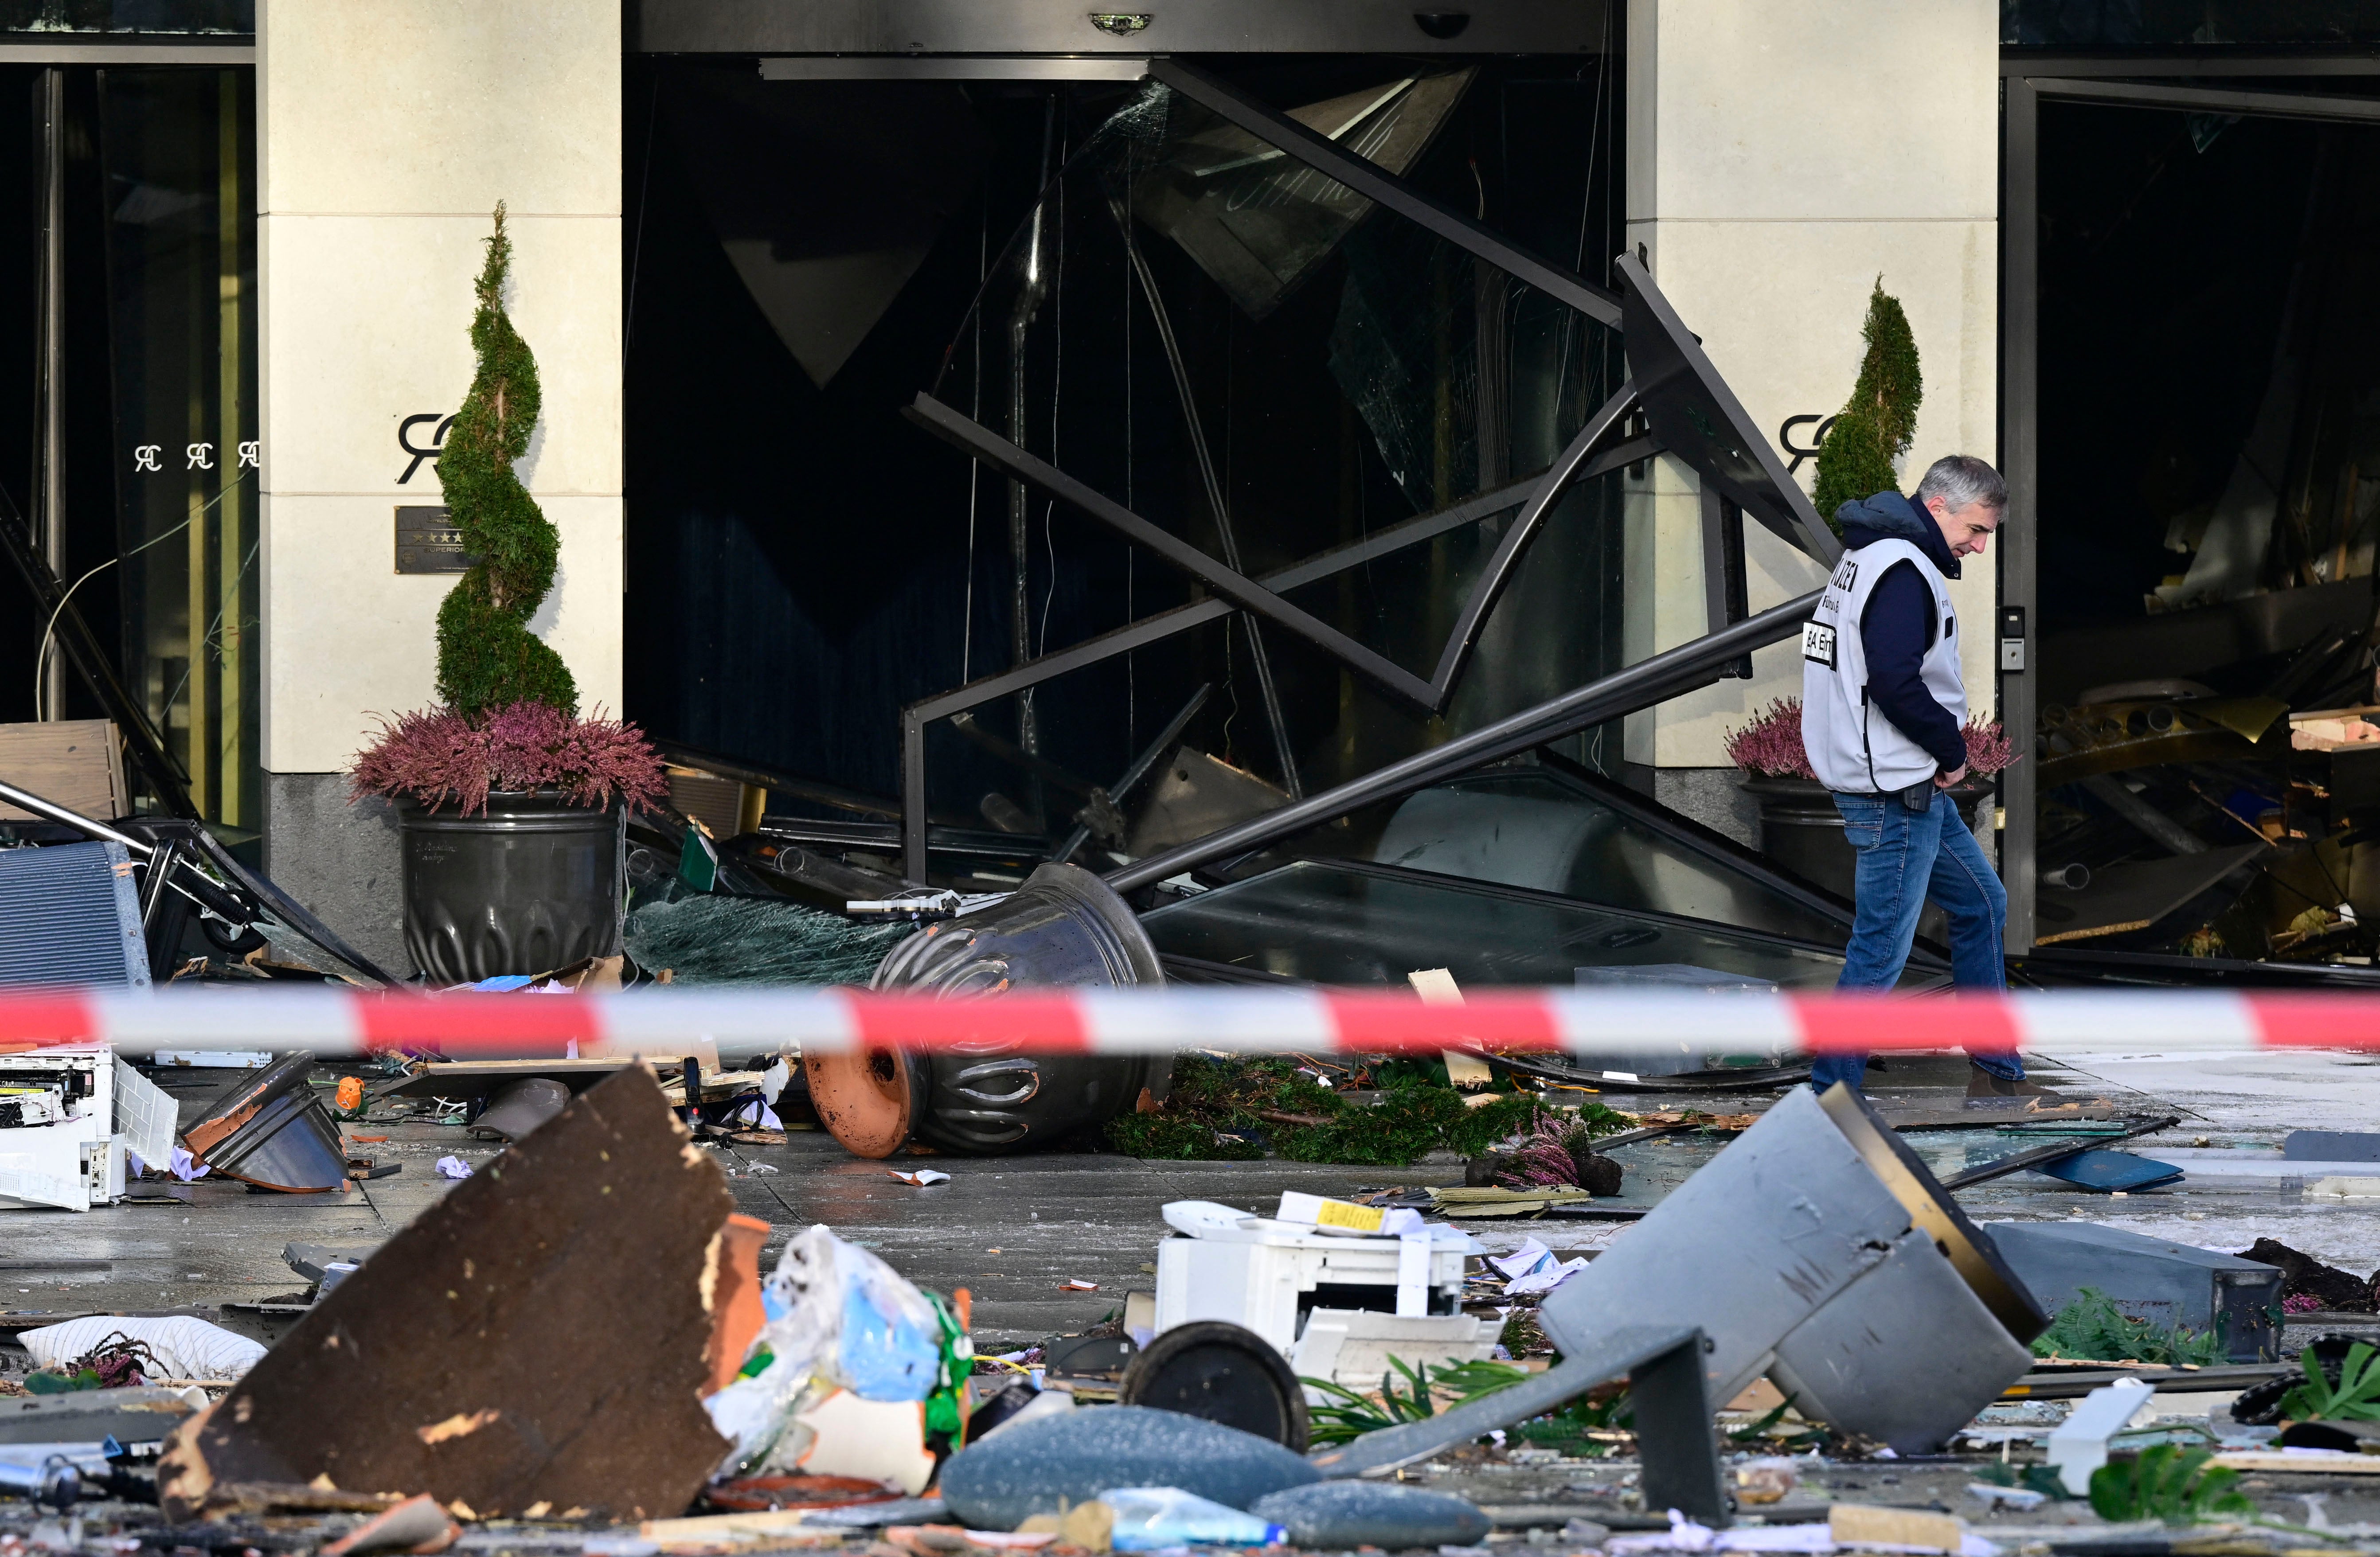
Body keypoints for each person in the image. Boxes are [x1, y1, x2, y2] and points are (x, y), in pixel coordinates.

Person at [1799, 454, 2033, 1098]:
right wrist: (1951, 750)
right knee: (1879, 948)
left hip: (1900, 784)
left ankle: (1997, 1065)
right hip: (1894, 789)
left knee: (1982, 902)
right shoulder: (1901, 570)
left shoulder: (1872, 557)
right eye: (1976, 529)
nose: (1979, 546)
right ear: (1937, 507)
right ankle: (1830, 1092)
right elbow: (1894, 681)